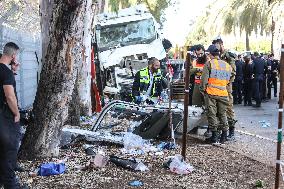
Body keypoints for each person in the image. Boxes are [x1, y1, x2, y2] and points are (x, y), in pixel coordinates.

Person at [0, 42, 27, 189]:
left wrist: (13, 71)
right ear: (13, 56)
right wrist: (16, 113)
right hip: (5, 116)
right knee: (9, 149)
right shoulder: (6, 72)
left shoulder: (6, 71)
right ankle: (11, 185)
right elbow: (10, 96)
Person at [200, 45, 232, 144]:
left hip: (211, 93)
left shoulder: (209, 64)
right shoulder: (227, 65)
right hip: (223, 93)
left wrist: (203, 90)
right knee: (223, 114)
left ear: (210, 54)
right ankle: (224, 136)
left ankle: (214, 137)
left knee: (212, 114)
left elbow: (204, 79)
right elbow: (228, 80)